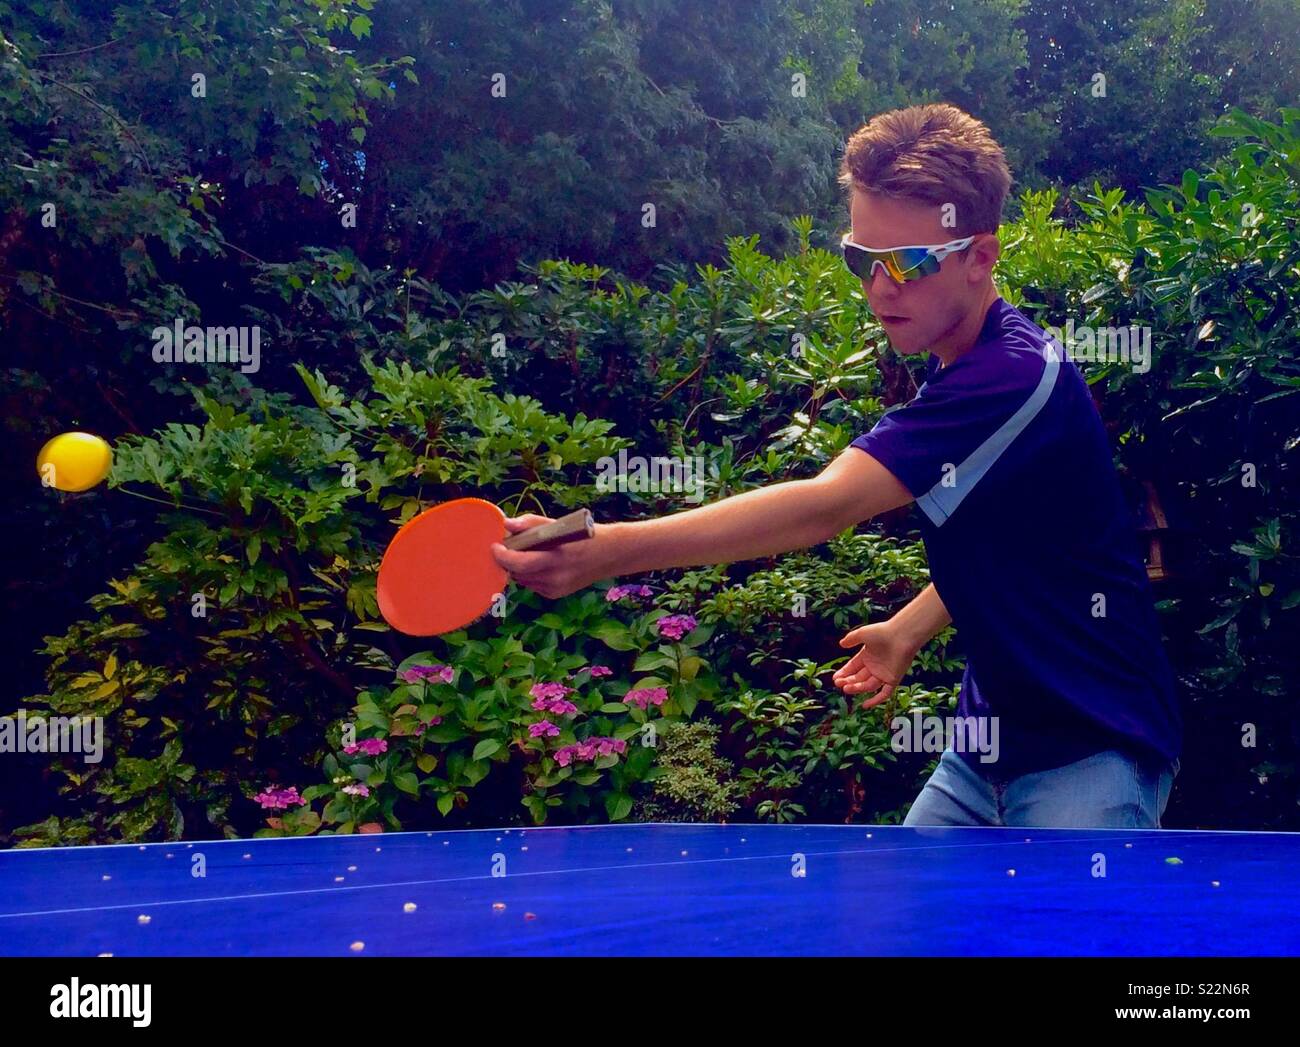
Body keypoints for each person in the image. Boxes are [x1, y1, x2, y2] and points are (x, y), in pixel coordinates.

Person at [491, 102, 1181, 829]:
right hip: (983, 753)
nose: (880, 290)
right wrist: (908, 628)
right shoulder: (965, 370)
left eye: (909, 263)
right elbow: (1022, 543)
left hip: (1094, 749)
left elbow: (826, 504)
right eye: (862, 260)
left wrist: (606, 551)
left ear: (982, 257)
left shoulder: (1012, 376)